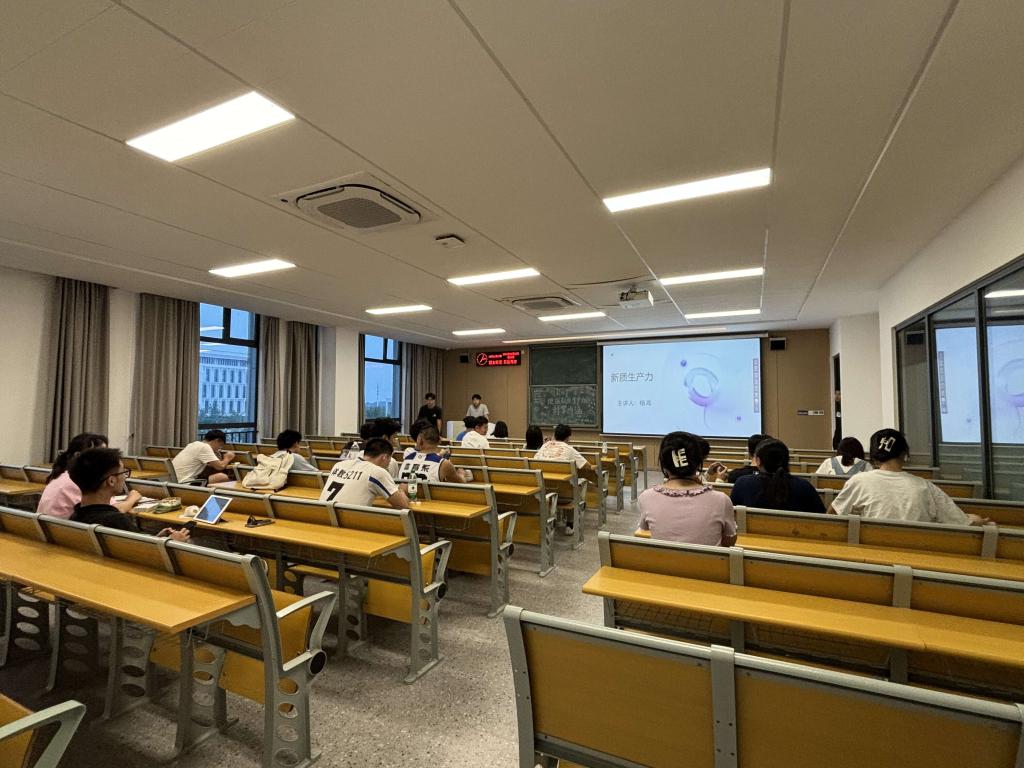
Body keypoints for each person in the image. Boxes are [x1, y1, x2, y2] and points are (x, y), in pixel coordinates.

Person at [830, 429, 981, 524]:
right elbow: (962, 522)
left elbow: (832, 514)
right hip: (916, 557)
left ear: (874, 456)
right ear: (904, 454)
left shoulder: (858, 481)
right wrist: (976, 519)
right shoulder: (925, 487)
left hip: (870, 556)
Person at [638, 432, 736, 546]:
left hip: (663, 558)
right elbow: (730, 540)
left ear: (664, 464)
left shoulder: (646, 497)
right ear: (699, 462)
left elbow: (645, 529)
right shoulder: (721, 500)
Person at [69, 448, 189, 540]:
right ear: (111, 481)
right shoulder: (117, 521)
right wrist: (172, 541)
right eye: (123, 472)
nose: (125, 477)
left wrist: (158, 539)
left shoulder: (75, 516)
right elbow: (146, 555)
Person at [38, 432, 141, 519]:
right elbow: (108, 512)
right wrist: (131, 500)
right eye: (100, 454)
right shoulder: (76, 480)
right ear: (78, 456)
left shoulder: (62, 475)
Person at [730, 439, 825, 513]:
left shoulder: (743, 483)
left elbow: (731, 514)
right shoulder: (804, 486)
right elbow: (821, 518)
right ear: (787, 461)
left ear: (758, 461)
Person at [319, 438, 410, 509]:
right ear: (385, 457)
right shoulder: (377, 472)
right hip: (350, 521)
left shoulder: (339, 465)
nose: (388, 464)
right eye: (389, 460)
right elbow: (402, 505)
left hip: (323, 513)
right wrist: (401, 490)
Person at [399, 426, 466, 484]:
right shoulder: (444, 464)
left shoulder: (407, 459)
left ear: (419, 440)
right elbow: (461, 484)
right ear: (439, 440)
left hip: (406, 494)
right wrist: (462, 474)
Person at [533, 424, 598, 484]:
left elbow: (534, 460)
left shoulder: (545, 445)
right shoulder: (569, 449)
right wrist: (596, 467)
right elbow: (587, 466)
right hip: (564, 484)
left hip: (543, 482)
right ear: (568, 438)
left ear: (554, 435)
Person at [172, 429, 236, 484]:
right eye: (220, 445)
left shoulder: (192, 444)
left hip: (173, 482)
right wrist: (227, 458)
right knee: (222, 477)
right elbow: (220, 466)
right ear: (217, 440)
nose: (219, 449)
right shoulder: (205, 447)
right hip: (185, 483)